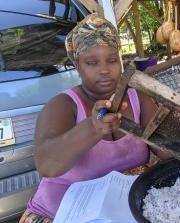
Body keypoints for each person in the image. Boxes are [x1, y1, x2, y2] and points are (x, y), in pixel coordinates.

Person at [19, 14, 168, 222]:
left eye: (112, 60)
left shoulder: (138, 98)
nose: (105, 70)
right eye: (92, 62)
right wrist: (92, 128)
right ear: (78, 66)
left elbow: (168, 150)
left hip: (120, 212)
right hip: (57, 215)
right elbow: (46, 165)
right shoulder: (63, 106)